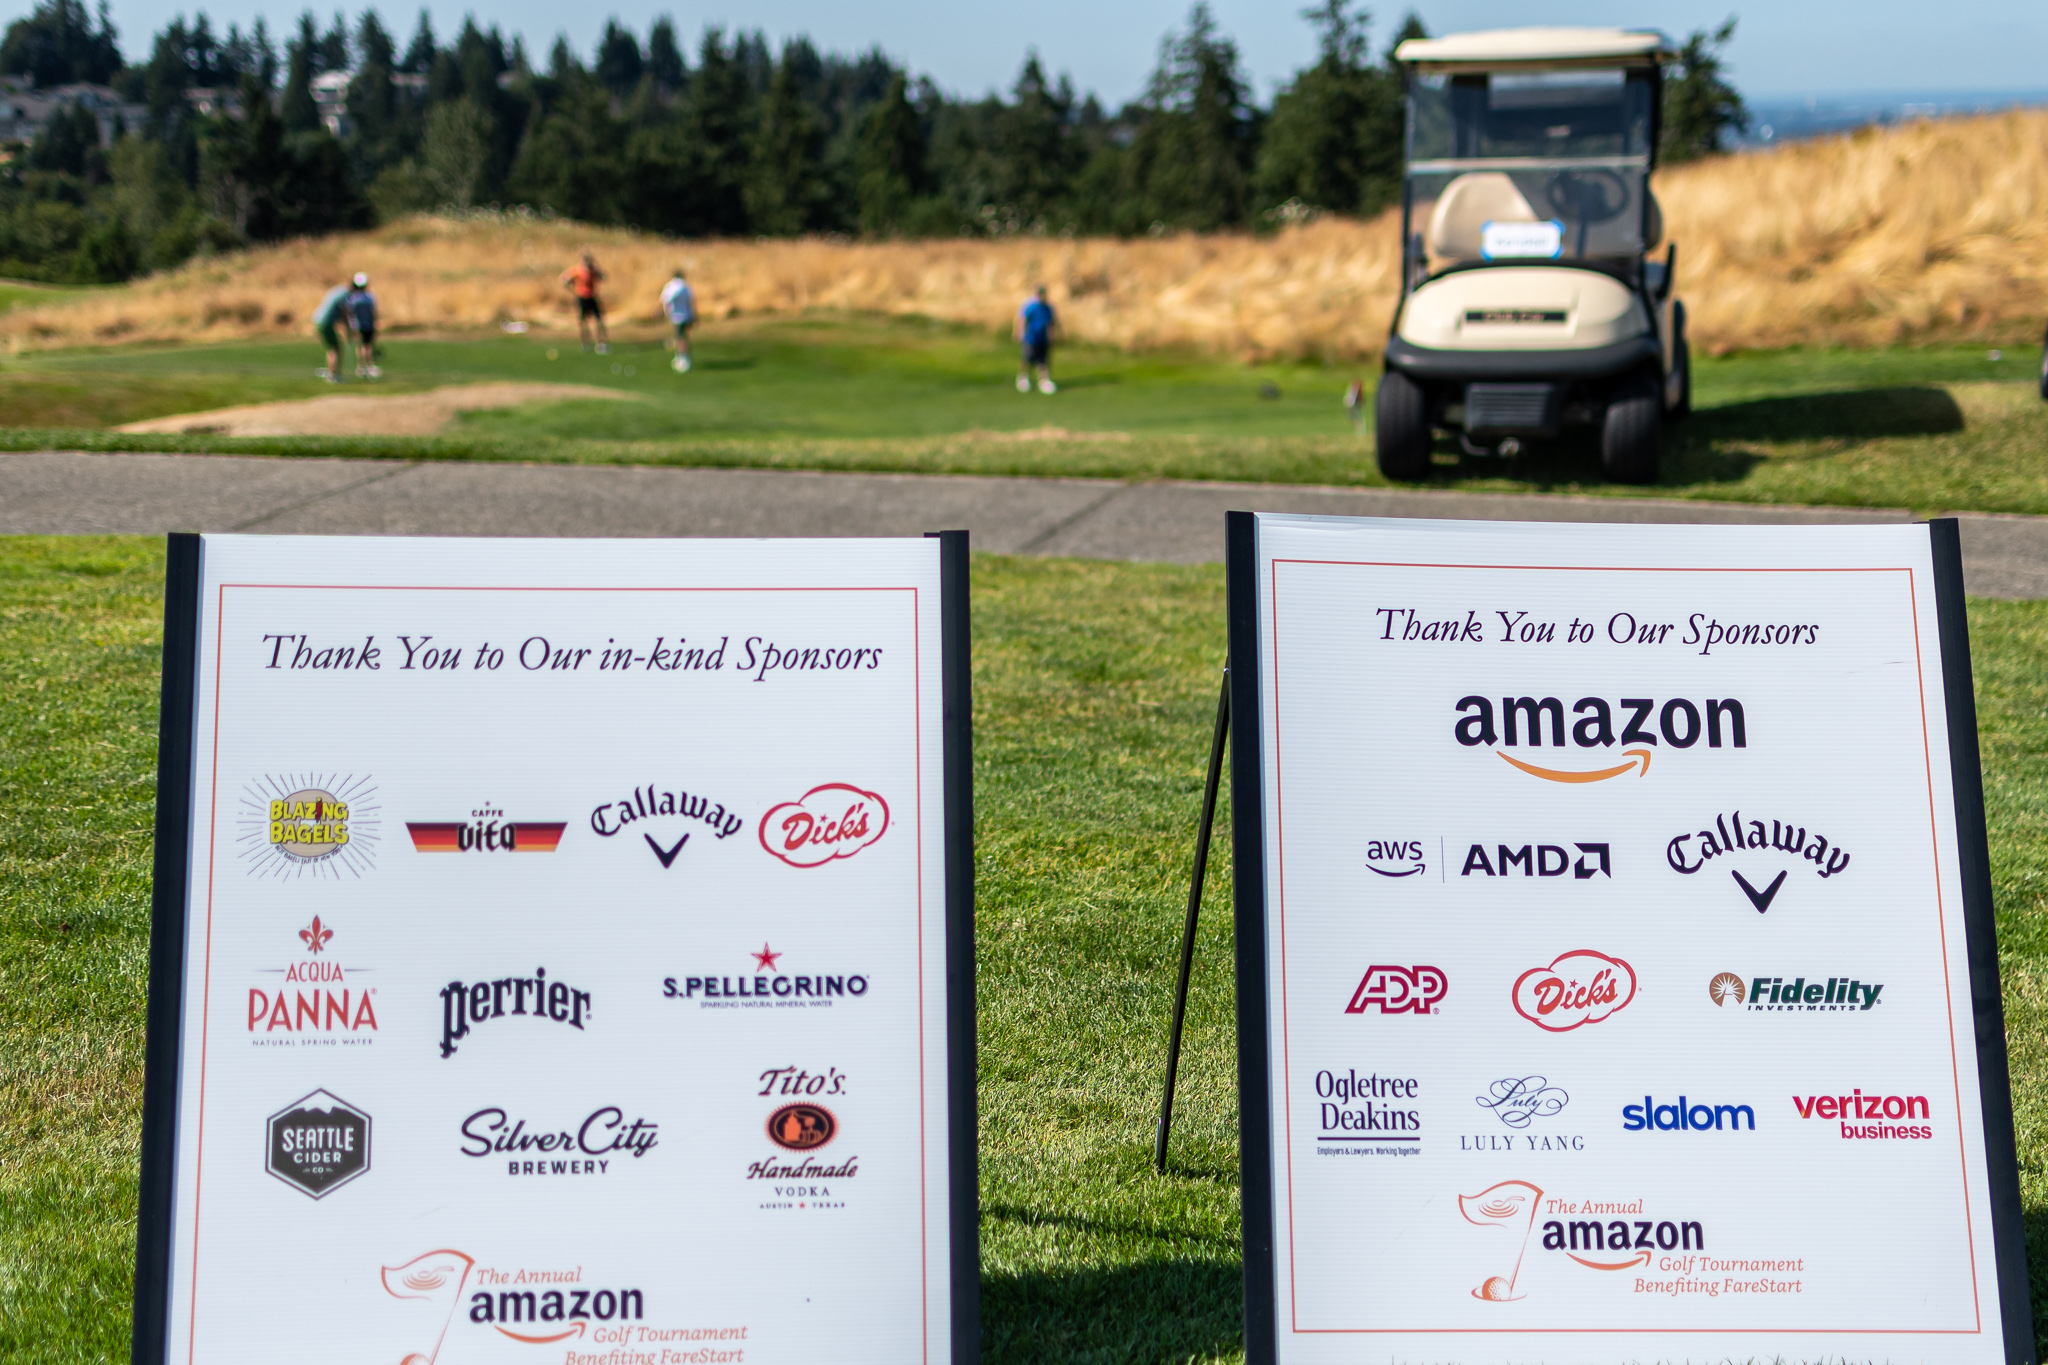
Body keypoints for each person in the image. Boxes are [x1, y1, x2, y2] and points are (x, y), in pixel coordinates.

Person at [562, 251, 610, 354]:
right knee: (583, 322)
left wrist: (597, 270)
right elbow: (564, 280)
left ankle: (601, 343)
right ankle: (586, 343)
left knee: (599, 320)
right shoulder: (578, 270)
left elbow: (604, 277)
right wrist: (573, 290)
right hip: (582, 297)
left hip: (592, 297)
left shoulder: (593, 271)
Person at [1014, 285, 1058, 394]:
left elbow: (1051, 322)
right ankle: (1023, 377)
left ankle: (1044, 380)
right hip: (1030, 337)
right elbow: (1022, 319)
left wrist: (1053, 334)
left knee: (1043, 360)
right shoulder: (1031, 306)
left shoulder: (1048, 307)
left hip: (1043, 338)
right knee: (1028, 359)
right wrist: (1019, 332)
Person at [312, 279, 353, 382]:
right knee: (335, 348)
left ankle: (330, 371)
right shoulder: (344, 295)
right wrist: (347, 329)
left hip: (319, 321)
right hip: (325, 323)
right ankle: (333, 375)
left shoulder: (338, 290)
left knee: (333, 347)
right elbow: (344, 313)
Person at [660, 267, 696, 372]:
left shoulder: (673, 286)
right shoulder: (686, 286)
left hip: (677, 316)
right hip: (687, 315)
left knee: (679, 337)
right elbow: (691, 301)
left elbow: (666, 299)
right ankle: (685, 355)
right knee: (684, 336)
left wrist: (664, 311)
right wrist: (694, 316)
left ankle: (681, 356)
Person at [347, 272, 380, 379]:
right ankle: (366, 367)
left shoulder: (354, 297)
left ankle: (363, 367)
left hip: (361, 325)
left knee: (363, 346)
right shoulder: (368, 296)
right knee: (365, 346)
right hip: (362, 324)